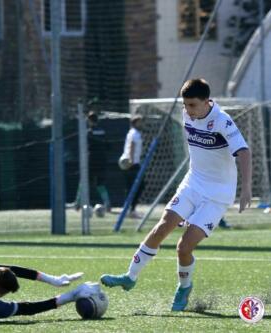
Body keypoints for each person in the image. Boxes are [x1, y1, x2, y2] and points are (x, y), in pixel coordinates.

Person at [100, 78, 252, 311]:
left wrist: (247, 188)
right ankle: (129, 277)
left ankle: (184, 288)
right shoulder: (186, 113)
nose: (188, 111)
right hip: (193, 183)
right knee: (161, 227)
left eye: (192, 105)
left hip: (218, 194)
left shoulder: (223, 121)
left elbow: (243, 152)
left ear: (206, 102)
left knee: (183, 247)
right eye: (185, 105)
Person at [119, 114, 145, 219]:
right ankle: (130, 210)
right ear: (135, 123)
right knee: (137, 186)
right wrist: (130, 161)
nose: (142, 124)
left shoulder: (135, 133)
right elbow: (131, 147)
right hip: (132, 164)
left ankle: (130, 210)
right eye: (140, 122)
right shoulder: (134, 133)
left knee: (133, 187)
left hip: (134, 163)